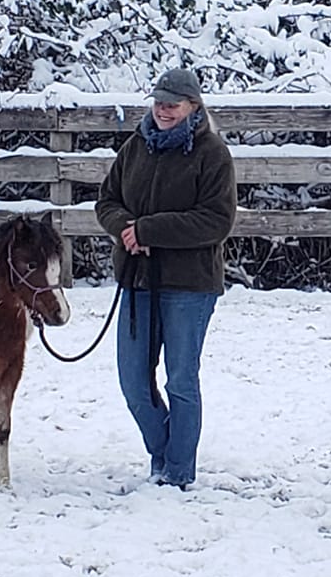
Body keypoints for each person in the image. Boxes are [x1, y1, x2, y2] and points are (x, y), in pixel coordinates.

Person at [95, 67, 238, 490]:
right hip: (137, 281)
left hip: (189, 285)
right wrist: (125, 227)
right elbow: (108, 200)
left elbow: (216, 220)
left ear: (193, 107)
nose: (163, 110)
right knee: (133, 382)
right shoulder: (135, 147)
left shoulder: (212, 153)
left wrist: (149, 231)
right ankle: (162, 452)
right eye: (159, 102)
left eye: (172, 105)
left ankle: (176, 472)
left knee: (181, 379)